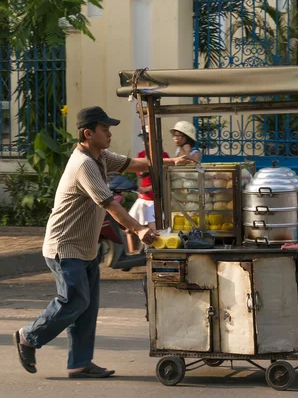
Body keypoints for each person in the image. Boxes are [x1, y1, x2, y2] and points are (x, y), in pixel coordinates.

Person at [13, 106, 191, 378]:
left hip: (84, 246)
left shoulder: (100, 157)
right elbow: (108, 204)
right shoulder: (83, 164)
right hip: (64, 246)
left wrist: (172, 163)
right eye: (104, 129)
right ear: (88, 133)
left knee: (88, 306)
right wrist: (139, 229)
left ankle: (79, 364)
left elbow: (134, 164)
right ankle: (28, 336)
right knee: (74, 300)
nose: (109, 134)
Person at [126, 130, 170, 252]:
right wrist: (138, 188)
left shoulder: (163, 156)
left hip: (154, 199)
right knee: (128, 228)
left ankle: (150, 255)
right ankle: (132, 255)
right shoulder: (141, 155)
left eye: (147, 139)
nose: (144, 141)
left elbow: (163, 180)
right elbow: (138, 175)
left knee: (153, 231)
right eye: (144, 139)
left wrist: (148, 189)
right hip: (142, 198)